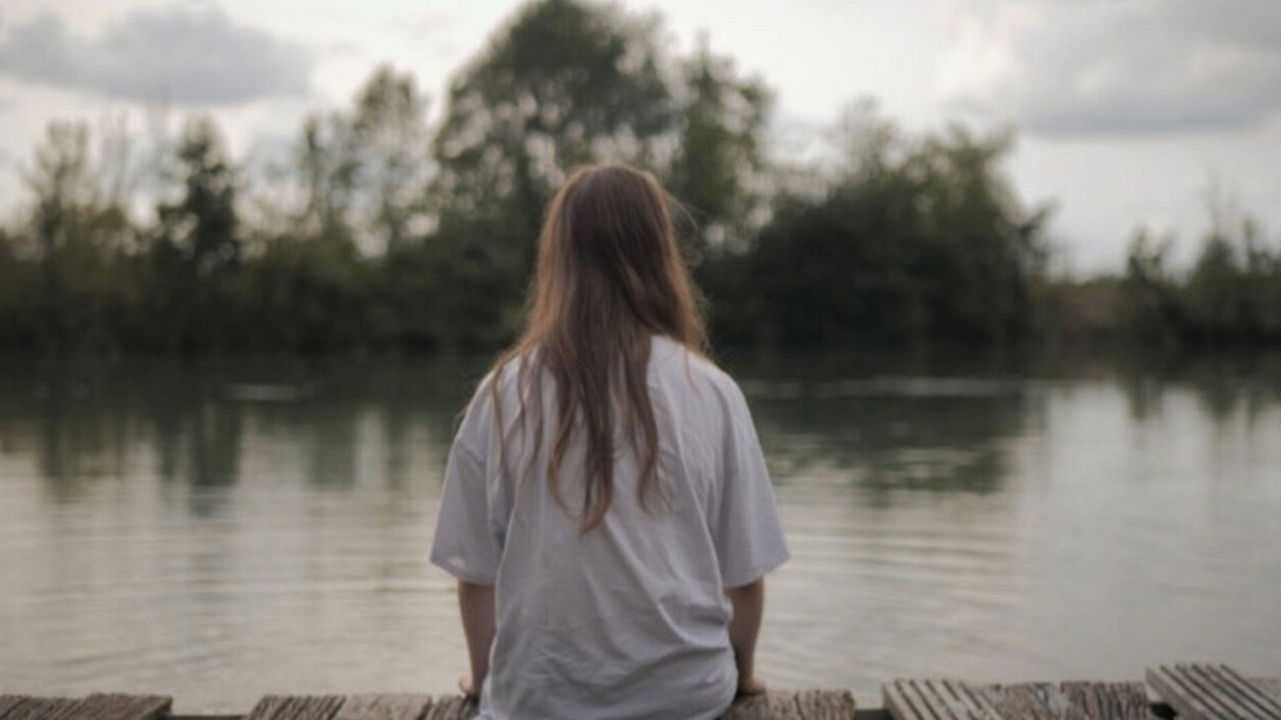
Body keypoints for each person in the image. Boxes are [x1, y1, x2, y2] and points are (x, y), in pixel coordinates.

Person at [430, 163, 790, 719]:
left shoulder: (502, 393)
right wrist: (741, 674)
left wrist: (483, 680)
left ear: (559, 260)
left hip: (537, 703)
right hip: (685, 700)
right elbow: (744, 578)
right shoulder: (712, 391)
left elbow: (475, 573)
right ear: (660, 255)